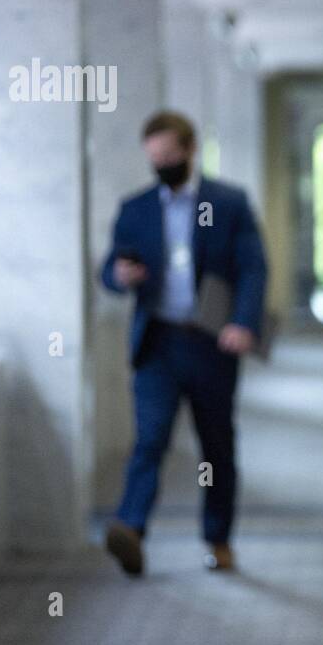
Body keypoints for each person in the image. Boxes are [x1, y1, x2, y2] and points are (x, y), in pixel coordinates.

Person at [99, 111, 267, 576]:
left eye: (170, 155)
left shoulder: (228, 203)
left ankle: (218, 539)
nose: (163, 164)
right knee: (149, 440)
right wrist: (118, 275)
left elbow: (253, 267)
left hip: (211, 344)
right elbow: (108, 267)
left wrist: (243, 322)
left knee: (216, 447)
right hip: (158, 344)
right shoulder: (135, 209)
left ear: (191, 150)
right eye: (155, 158)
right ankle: (130, 529)